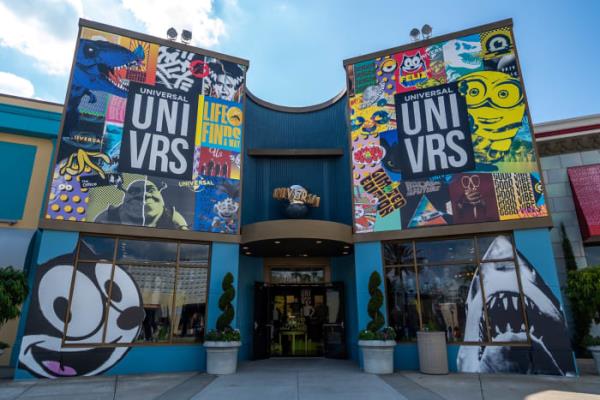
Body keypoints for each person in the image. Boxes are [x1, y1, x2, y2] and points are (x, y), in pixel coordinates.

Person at [95, 179, 189, 229]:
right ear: (125, 196)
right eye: (134, 191)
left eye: (150, 190)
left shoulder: (171, 216)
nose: (144, 195)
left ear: (159, 193)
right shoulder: (110, 215)